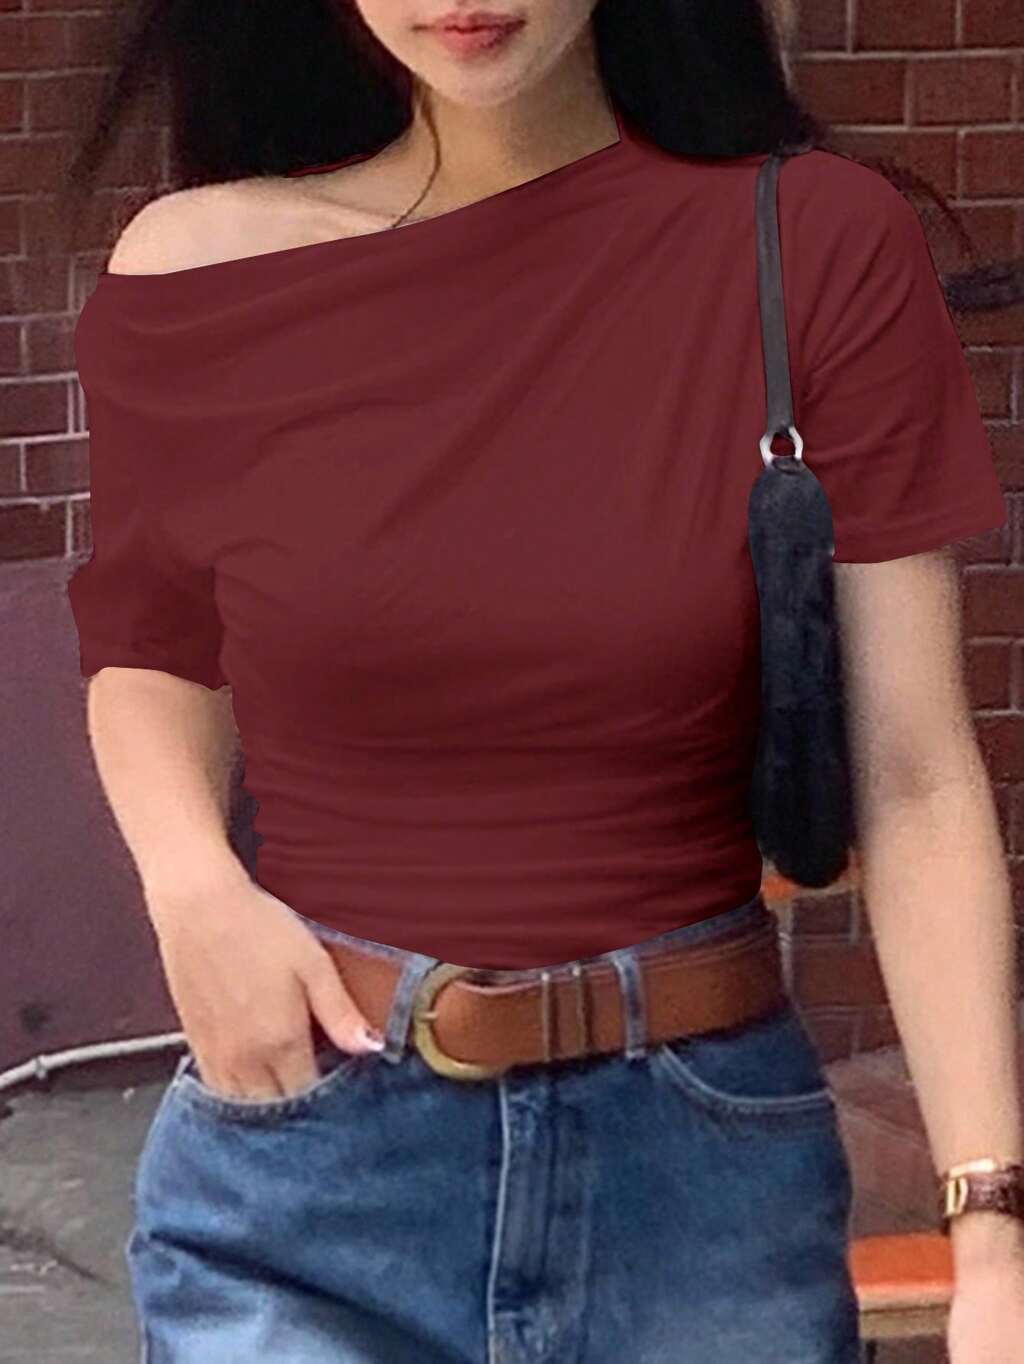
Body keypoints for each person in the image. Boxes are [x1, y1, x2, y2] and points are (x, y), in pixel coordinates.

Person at [65, 2, 1024, 1362]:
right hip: (305, 1178)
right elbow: (154, 646)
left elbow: (917, 778)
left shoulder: (812, 244)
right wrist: (190, 888)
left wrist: (992, 1236)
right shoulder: (199, 268)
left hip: (700, 1195)